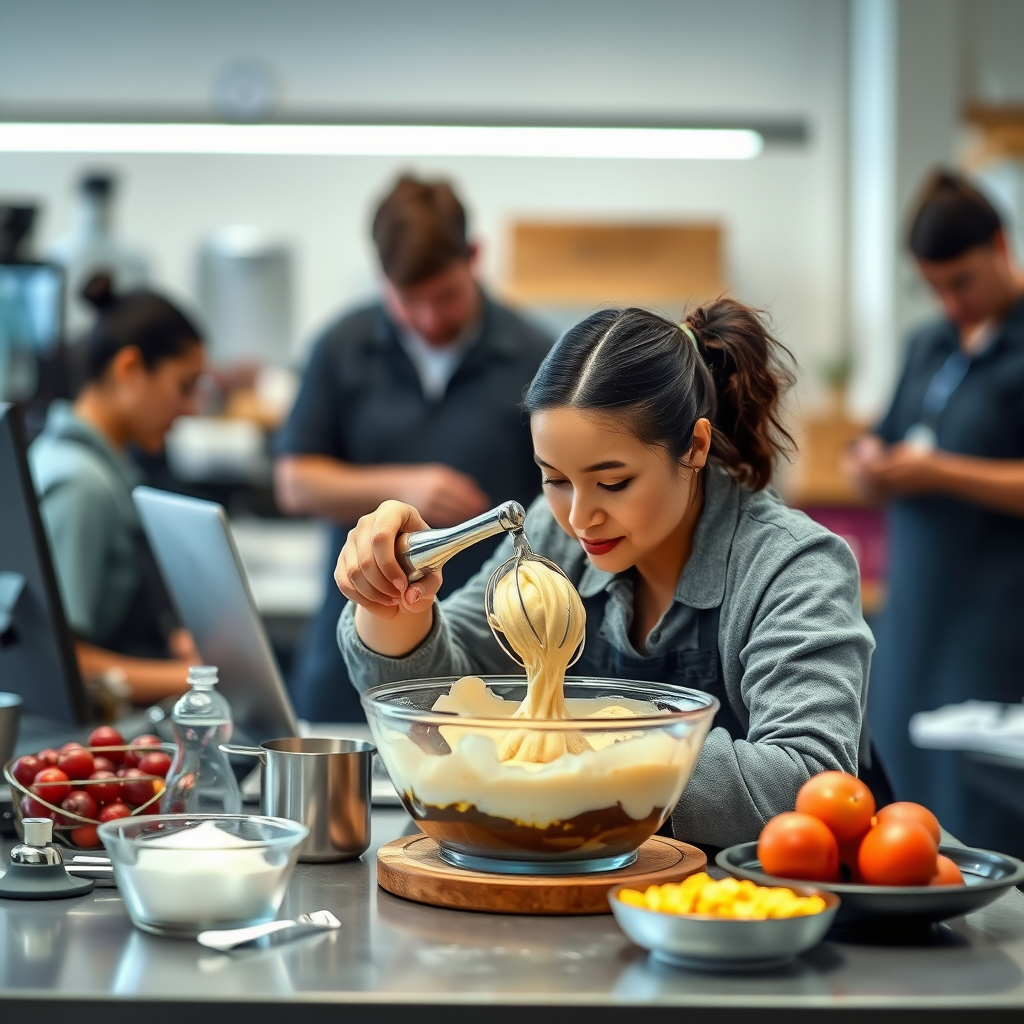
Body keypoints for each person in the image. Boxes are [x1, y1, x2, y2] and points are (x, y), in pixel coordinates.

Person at [334, 301, 874, 849]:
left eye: (613, 483)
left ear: (695, 447)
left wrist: (591, 741)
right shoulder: (555, 536)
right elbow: (433, 709)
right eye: (555, 478)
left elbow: (810, 779)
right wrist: (393, 603)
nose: (578, 517)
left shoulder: (793, 567)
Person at [275, 175, 552, 723]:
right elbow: (293, 481)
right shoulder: (340, 347)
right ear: (381, 279)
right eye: (409, 301)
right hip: (351, 657)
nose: (429, 319)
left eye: (445, 296)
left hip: (495, 662)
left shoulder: (537, 355)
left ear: (474, 256)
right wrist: (402, 489)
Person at [845, 171, 1024, 854]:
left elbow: (936, 464)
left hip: (997, 615)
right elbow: (888, 437)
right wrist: (871, 465)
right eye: (936, 287)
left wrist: (937, 471)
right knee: (905, 788)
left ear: (1002, 246)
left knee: (980, 794)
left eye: (964, 282)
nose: (951, 301)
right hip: (917, 604)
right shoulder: (930, 343)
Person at [29, 273, 205, 704]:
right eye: (183, 386)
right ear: (129, 368)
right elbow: (61, 658)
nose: (189, 407)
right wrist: (195, 678)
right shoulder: (80, 484)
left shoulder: (97, 467)